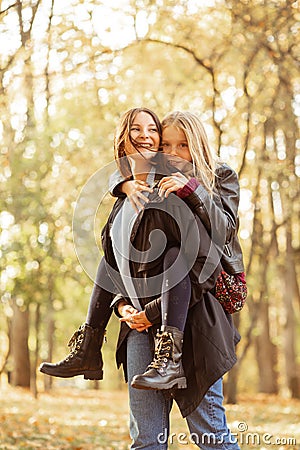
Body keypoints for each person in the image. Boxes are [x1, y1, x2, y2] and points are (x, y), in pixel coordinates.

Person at [40, 108, 243, 448]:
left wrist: (192, 189)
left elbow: (201, 257)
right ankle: (89, 343)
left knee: (210, 434)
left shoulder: (211, 180)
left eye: (183, 146)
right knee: (146, 438)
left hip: (193, 323)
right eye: (168, 146)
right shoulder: (141, 190)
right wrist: (122, 307)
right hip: (137, 330)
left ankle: (162, 352)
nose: (174, 154)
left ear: (198, 146)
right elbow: (124, 265)